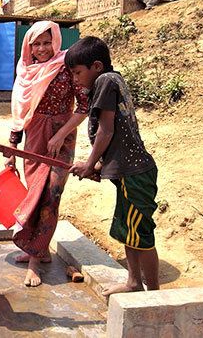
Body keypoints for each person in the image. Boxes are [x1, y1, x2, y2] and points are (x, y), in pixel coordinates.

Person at [67, 36, 159, 297]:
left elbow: (106, 131)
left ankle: (154, 293)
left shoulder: (105, 81)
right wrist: (100, 167)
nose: (75, 79)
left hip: (135, 174)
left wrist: (90, 163)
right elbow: (116, 133)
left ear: (96, 66)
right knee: (128, 232)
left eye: (77, 72)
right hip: (128, 172)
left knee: (141, 235)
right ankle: (133, 282)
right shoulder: (113, 79)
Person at [6, 21, 89, 287]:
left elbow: (83, 107)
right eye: (36, 43)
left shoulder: (67, 66)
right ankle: (38, 251)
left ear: (56, 41)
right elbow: (19, 115)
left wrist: (61, 133)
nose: (42, 49)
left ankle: (34, 261)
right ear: (28, 46)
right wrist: (12, 149)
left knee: (50, 196)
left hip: (61, 139)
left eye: (46, 42)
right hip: (35, 138)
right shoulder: (25, 72)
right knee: (34, 194)